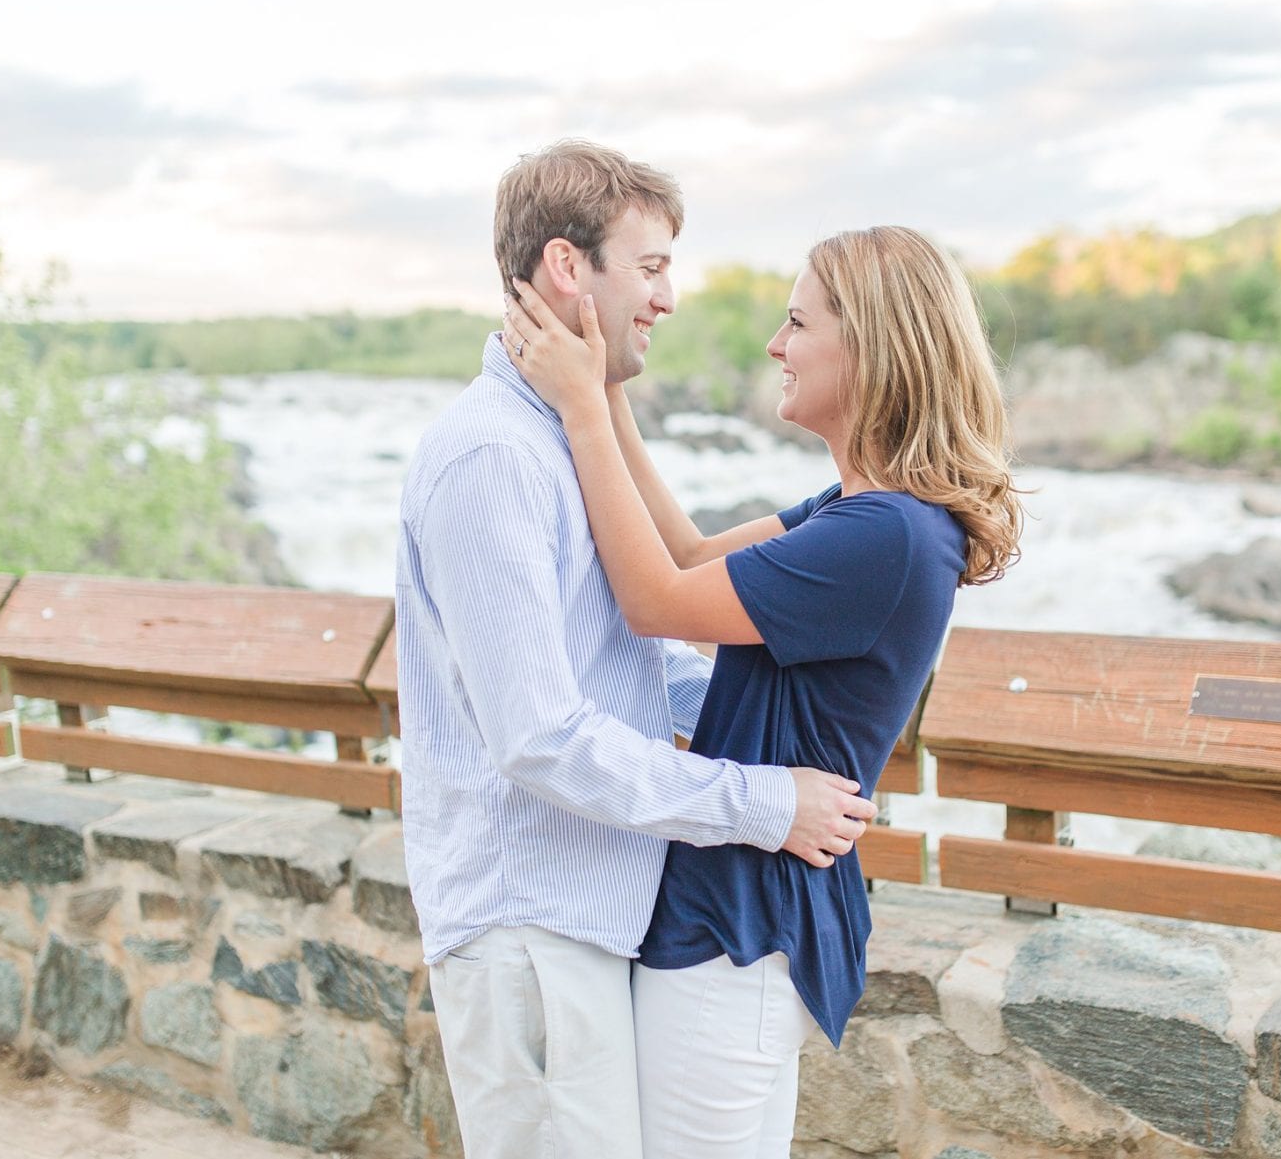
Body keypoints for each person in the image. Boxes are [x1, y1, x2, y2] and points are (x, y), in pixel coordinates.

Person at [394, 139, 878, 1159]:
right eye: (651, 267)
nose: (668, 297)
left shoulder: (561, 441)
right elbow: (539, 735)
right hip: (527, 925)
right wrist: (760, 801)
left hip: (586, 916)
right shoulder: (493, 457)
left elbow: (630, 655)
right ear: (570, 269)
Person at [504, 223, 1024, 1157]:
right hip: (744, 909)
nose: (777, 346)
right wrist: (610, 388)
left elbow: (657, 600)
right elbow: (691, 556)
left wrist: (581, 411)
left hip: (739, 927)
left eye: (797, 323)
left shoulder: (884, 536)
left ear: (870, 347)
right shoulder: (861, 513)